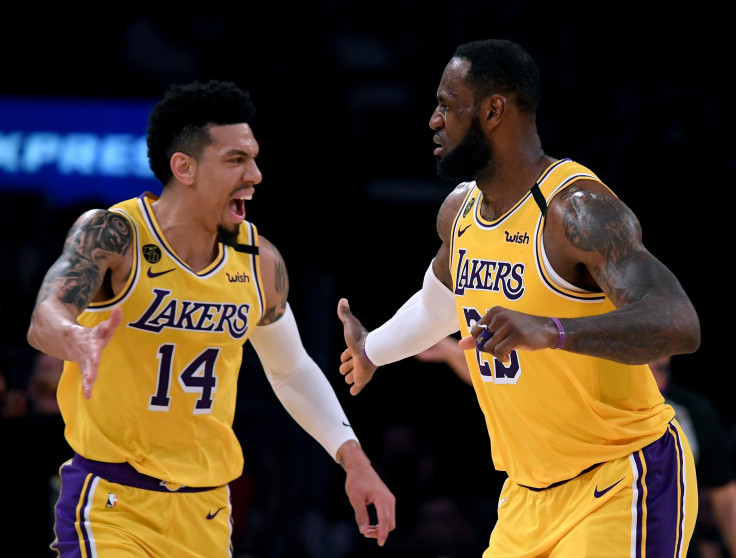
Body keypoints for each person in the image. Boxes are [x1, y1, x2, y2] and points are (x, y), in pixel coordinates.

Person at [336, 39, 701, 557]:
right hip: (526, 500)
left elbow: (678, 323)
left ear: (492, 110)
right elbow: (437, 304)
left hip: (624, 478)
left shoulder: (576, 210)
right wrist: (372, 349)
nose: (434, 120)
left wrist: (551, 331)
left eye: (447, 104)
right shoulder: (459, 213)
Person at [26, 79, 395, 557]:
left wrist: (355, 460)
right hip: (111, 504)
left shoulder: (259, 261)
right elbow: (45, 315)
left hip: (207, 512)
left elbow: (292, 369)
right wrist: (74, 338)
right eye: (236, 160)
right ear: (185, 168)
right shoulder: (115, 234)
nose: (256, 174)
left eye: (255, 158)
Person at [649, 356, 736, 558]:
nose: (661, 375)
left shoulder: (691, 412)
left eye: (663, 369)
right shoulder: (594, 413)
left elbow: (725, 496)